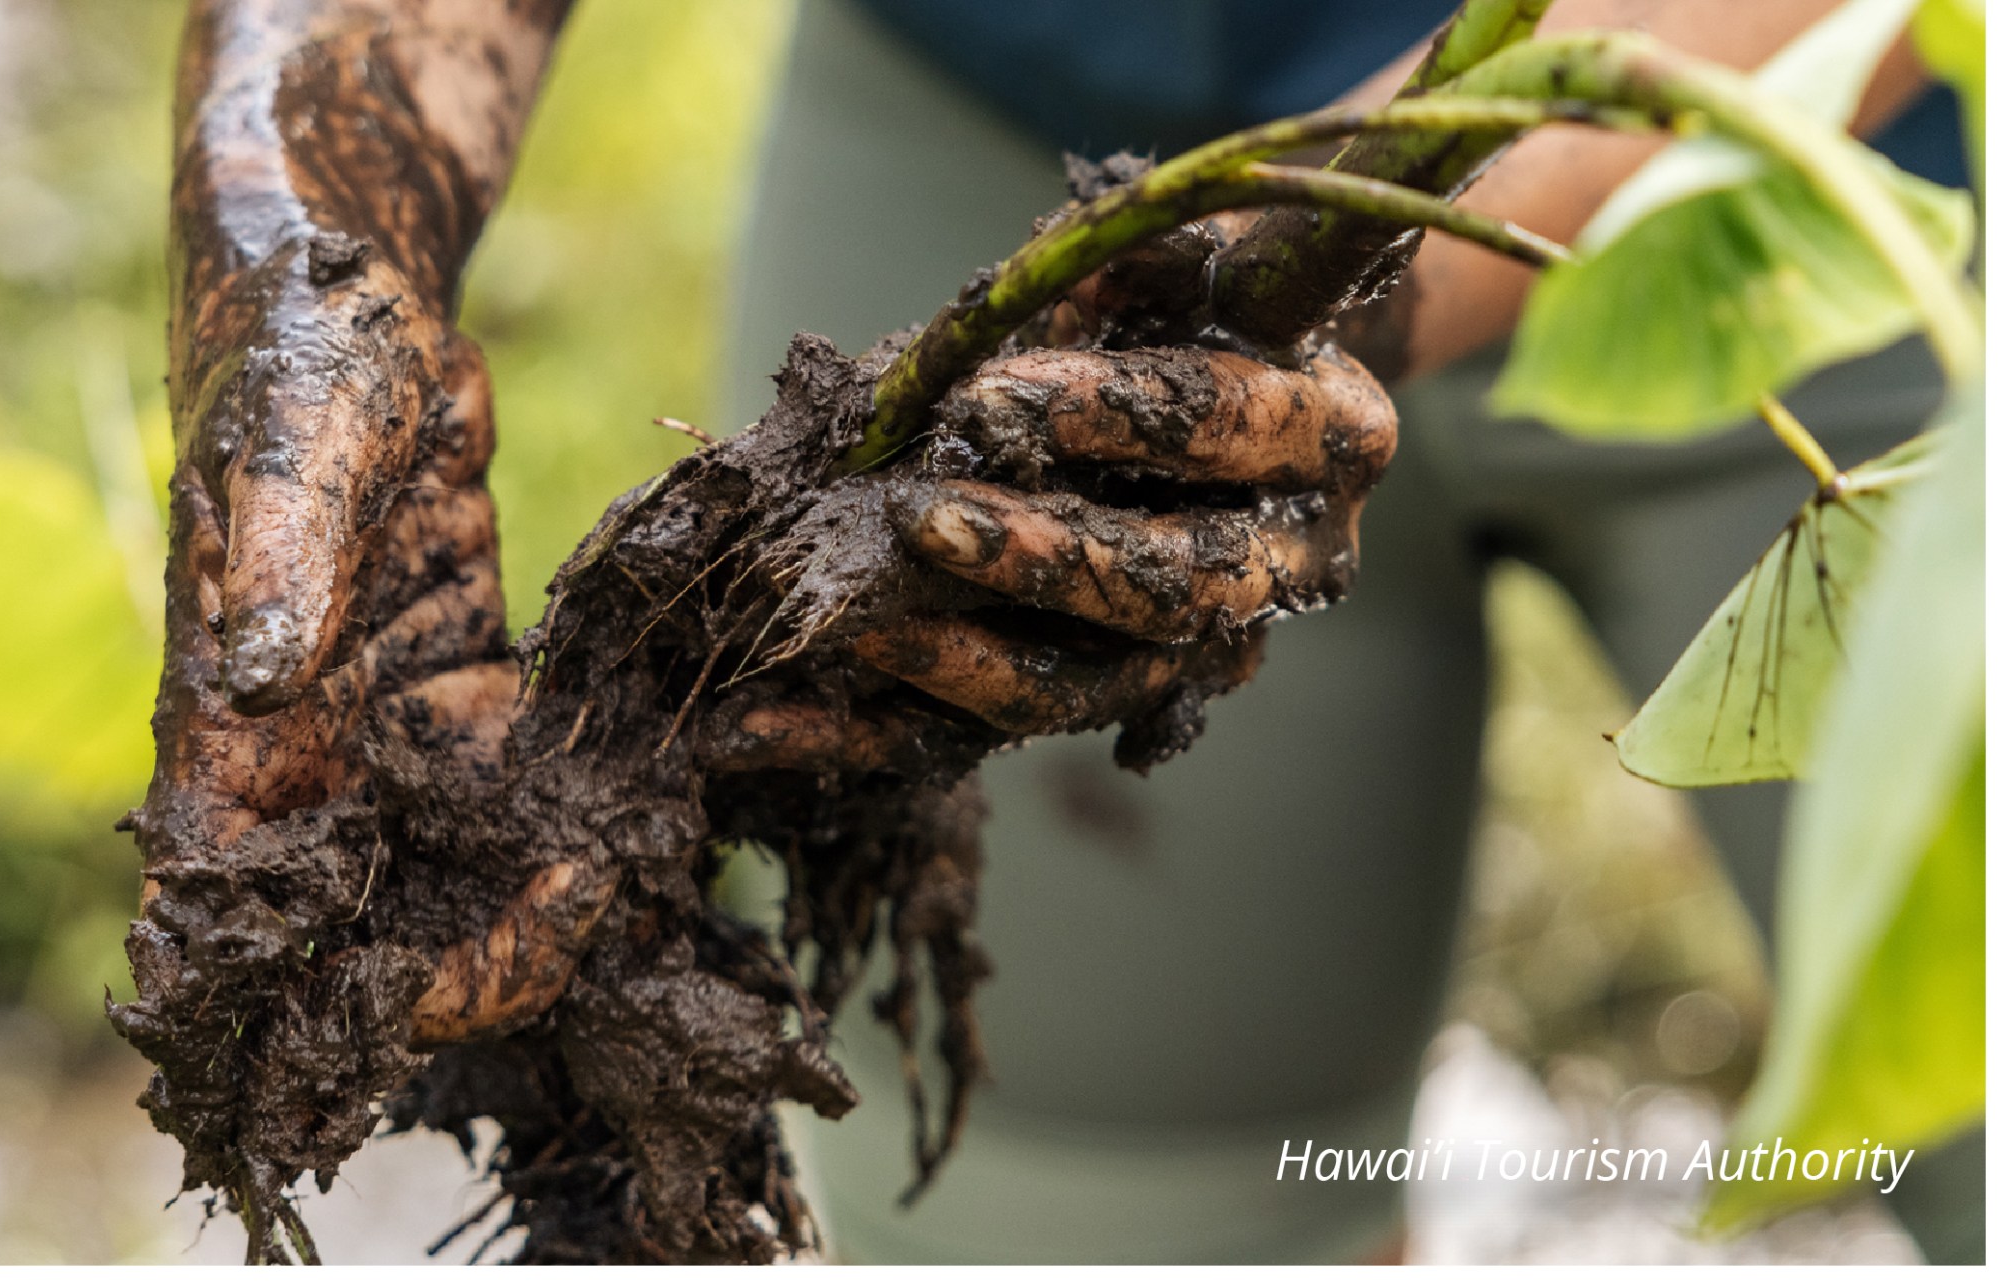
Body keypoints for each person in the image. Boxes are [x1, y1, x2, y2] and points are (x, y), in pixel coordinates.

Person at [135, 0, 1977, 1263]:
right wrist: (300, 253)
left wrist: (1304, 275)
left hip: (1846, 186)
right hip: (1009, 102)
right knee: (1079, 1210)